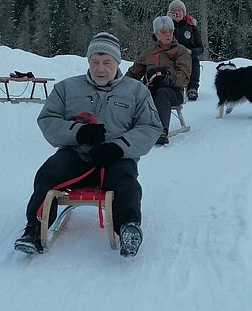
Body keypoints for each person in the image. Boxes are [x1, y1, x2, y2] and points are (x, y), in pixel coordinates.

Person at [14, 32, 163, 257]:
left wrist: (119, 147)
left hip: (116, 157)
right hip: (77, 155)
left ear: (117, 62)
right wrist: (79, 132)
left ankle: (129, 227)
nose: (100, 69)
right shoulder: (67, 89)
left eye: (106, 63)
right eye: (95, 62)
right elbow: (48, 120)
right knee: (48, 174)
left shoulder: (136, 91)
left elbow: (150, 127)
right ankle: (34, 229)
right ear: (88, 61)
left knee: (126, 183)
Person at [126, 16, 191, 145]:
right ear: (156, 34)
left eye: (170, 31)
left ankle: (161, 130)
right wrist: (122, 85)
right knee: (134, 93)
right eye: (163, 32)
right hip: (150, 90)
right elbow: (133, 74)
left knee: (162, 92)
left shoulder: (180, 51)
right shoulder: (148, 53)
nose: (167, 34)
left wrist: (166, 77)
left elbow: (184, 76)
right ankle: (126, 125)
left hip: (173, 92)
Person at [167, 0, 204, 100]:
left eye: (179, 10)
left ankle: (192, 88)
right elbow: (156, 38)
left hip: (187, 55)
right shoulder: (166, 25)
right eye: (174, 11)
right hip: (170, 54)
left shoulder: (191, 27)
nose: (177, 13)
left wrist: (191, 51)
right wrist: (167, 22)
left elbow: (200, 48)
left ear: (184, 12)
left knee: (194, 61)